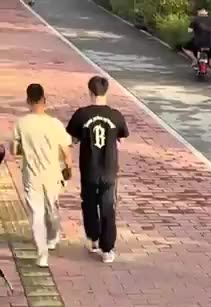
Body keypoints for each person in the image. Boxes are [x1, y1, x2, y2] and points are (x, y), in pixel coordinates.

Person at [66, 75, 129, 264]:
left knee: (89, 203)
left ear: (90, 92)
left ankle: (94, 238)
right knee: (108, 207)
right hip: (109, 170)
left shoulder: (82, 114)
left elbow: (72, 138)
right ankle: (107, 249)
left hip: (89, 168)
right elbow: (122, 138)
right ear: (106, 91)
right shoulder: (116, 115)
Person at [11, 83, 72, 268]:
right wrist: (68, 167)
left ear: (28, 101)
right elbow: (65, 150)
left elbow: (15, 150)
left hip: (32, 175)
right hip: (52, 174)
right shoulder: (54, 124)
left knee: (36, 214)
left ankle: (42, 253)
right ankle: (53, 237)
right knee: (52, 208)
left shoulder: (21, 124)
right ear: (44, 100)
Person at [182, 8, 211, 79]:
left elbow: (189, 31)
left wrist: (194, 30)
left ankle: (195, 59)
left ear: (198, 13)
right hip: (208, 43)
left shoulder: (195, 20)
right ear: (206, 12)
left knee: (184, 47)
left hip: (197, 42)